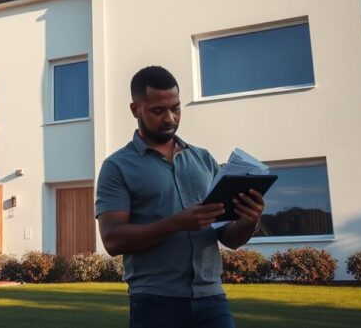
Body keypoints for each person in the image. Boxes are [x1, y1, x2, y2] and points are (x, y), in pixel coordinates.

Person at [96, 66, 265, 328]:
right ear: (135, 109)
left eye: (175, 108)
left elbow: (228, 238)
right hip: (154, 302)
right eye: (158, 110)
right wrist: (177, 223)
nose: (171, 118)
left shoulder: (204, 160)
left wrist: (248, 222)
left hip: (212, 298)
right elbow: (112, 240)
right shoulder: (117, 167)